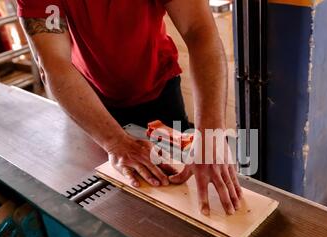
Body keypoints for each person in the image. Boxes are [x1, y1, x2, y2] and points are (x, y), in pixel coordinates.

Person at [16, 0, 242, 215]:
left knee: (186, 191)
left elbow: (198, 30)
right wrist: (115, 142)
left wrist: (210, 133)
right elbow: (54, 64)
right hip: (88, 101)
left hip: (158, 90)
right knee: (111, 206)